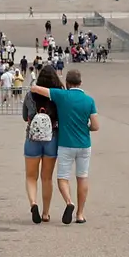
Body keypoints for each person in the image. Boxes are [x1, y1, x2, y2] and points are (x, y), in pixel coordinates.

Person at [31, 67, 98, 225]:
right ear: (80, 83)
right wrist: (84, 126)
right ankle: (80, 214)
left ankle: (69, 202)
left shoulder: (62, 95)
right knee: (82, 177)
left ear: (67, 83)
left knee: (63, 178)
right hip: (84, 144)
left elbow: (35, 89)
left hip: (66, 144)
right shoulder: (89, 100)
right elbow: (95, 126)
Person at [22, 66, 61, 224]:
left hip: (32, 139)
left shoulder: (30, 95)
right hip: (52, 138)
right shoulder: (58, 96)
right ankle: (45, 213)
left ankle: (33, 203)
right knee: (47, 178)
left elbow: (25, 117)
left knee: (31, 176)